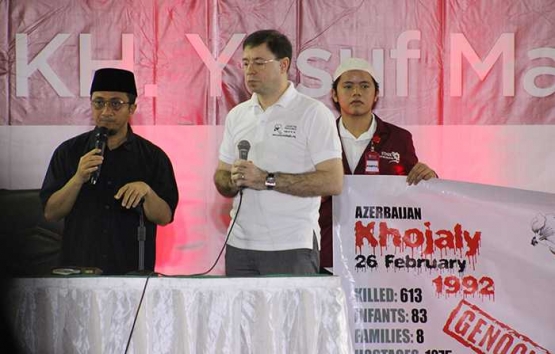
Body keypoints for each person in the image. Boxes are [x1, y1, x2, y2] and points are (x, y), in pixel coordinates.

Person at [214, 29, 343, 276]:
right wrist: (231, 180)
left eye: (260, 62)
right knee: (241, 316)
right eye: (246, 62)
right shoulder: (238, 115)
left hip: (291, 244)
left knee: (292, 316)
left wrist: (265, 180)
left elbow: (333, 181)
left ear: (283, 65)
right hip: (239, 245)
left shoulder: (312, 113)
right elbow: (221, 175)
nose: (250, 70)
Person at [40, 68, 179, 275]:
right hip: (78, 268)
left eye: (116, 104)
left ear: (132, 108)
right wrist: (78, 178)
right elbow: (51, 213)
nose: (106, 111)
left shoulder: (152, 157)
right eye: (99, 102)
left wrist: (147, 192)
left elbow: (164, 217)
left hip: (131, 271)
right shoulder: (69, 152)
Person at [319, 58, 437, 272]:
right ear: (335, 95)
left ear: (376, 94)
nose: (356, 92)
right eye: (348, 86)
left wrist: (430, 180)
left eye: (364, 86)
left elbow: (416, 196)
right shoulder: (319, 137)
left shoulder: (399, 138)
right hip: (328, 254)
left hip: (382, 257)